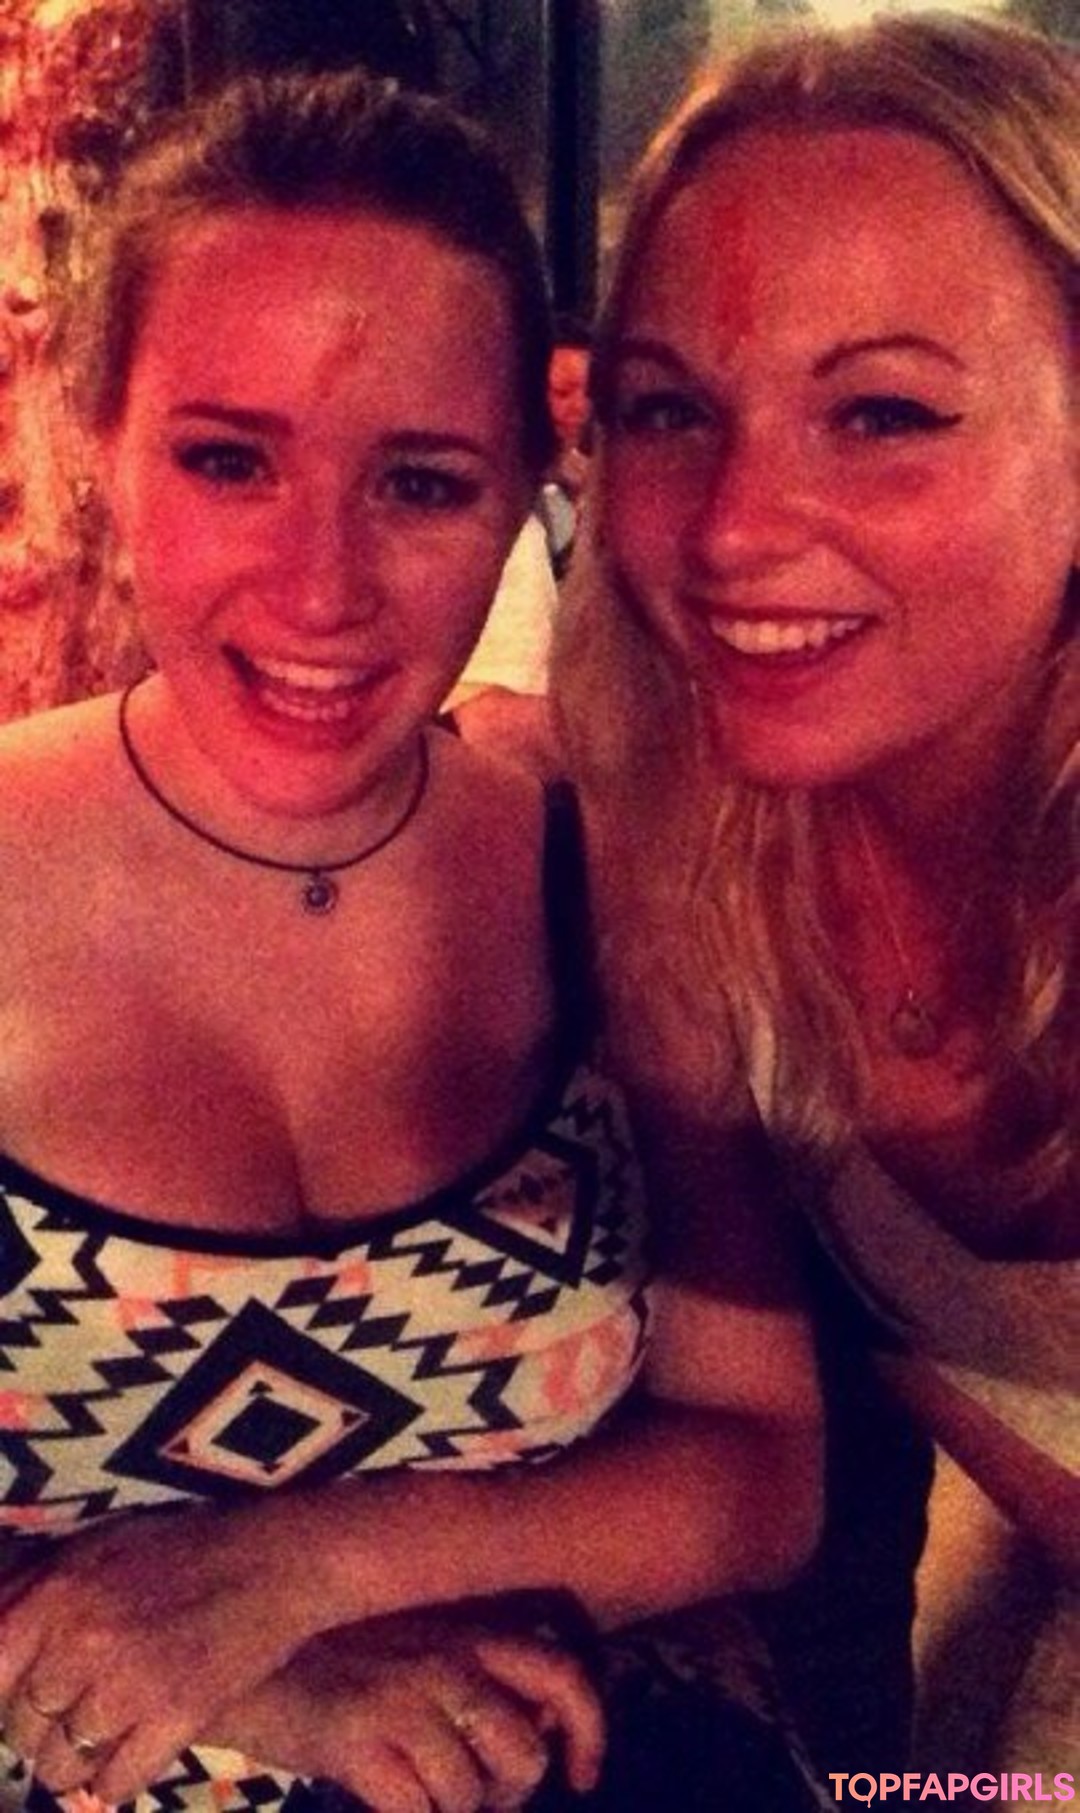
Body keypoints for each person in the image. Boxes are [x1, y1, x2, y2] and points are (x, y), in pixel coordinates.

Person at [0, 67, 822, 1813]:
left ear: (532, 481)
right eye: (229, 460)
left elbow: (763, 1465)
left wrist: (294, 1569)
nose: (322, 589)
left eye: (423, 484)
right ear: (98, 438)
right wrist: (262, 1679)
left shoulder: (603, 878)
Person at [554, 9, 1078, 1783]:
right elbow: (756, 1433)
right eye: (669, 411)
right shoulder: (689, 842)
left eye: (882, 413)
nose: (731, 527)